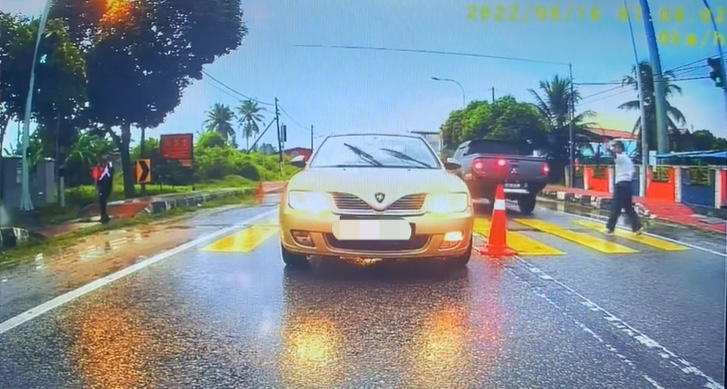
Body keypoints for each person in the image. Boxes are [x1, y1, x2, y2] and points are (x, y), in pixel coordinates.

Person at [605, 140, 643, 235]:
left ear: (620, 148)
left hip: (621, 185)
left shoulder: (621, 157)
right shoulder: (628, 159)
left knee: (616, 207)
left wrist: (608, 148)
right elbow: (633, 171)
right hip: (628, 185)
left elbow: (613, 155)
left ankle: (610, 228)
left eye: (616, 147)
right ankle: (637, 227)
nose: (615, 149)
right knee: (628, 208)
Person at [95, 157, 114, 224]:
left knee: (104, 202)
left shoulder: (109, 167)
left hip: (107, 186)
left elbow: (111, 177)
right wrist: (97, 188)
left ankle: (105, 216)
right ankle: (104, 216)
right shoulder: (99, 167)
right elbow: (96, 178)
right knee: (102, 202)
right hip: (102, 186)